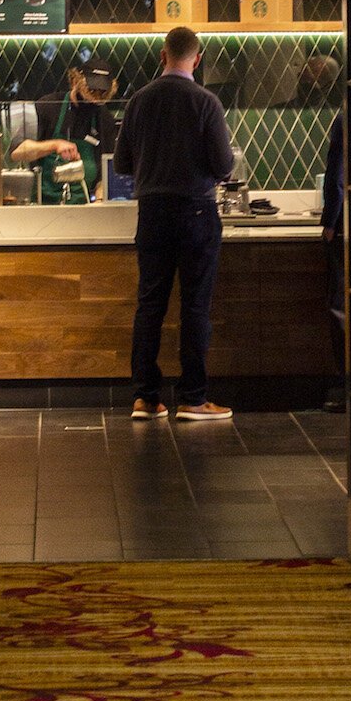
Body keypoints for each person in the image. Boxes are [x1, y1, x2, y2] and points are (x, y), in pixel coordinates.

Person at [113, 25, 235, 421]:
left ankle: (146, 398)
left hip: (152, 212)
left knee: (150, 304)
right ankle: (193, 399)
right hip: (197, 212)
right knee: (195, 306)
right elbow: (224, 165)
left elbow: (122, 164)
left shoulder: (138, 101)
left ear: (162, 56)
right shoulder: (206, 102)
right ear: (197, 60)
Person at [11, 63, 120, 204]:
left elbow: (106, 175)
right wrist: (54, 145)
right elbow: (17, 153)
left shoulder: (105, 119)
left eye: (102, 94)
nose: (95, 99)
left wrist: (99, 201)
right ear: (75, 82)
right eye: (91, 91)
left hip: (84, 206)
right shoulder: (48, 106)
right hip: (42, 205)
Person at [321, 109, 346, 414]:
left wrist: (330, 221)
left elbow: (335, 173)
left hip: (344, 225)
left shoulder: (346, 115)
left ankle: (346, 382)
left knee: (339, 305)